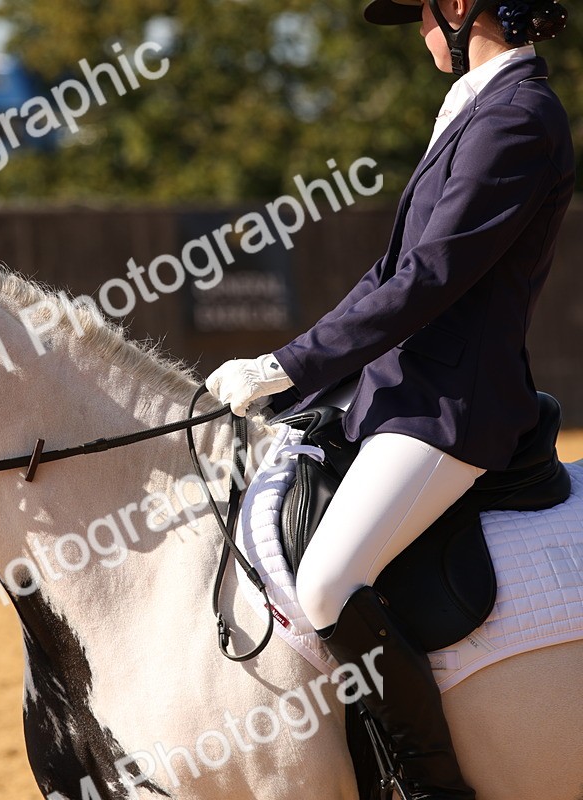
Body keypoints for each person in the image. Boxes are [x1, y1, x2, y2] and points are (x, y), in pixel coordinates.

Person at [205, 0, 573, 797]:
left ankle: (429, 782)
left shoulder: (519, 117)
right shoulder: (477, 109)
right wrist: (296, 373)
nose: (415, 29)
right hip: (401, 389)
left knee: (329, 582)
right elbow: (388, 275)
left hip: (453, 407)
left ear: (461, 5)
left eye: (419, 12)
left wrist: (283, 361)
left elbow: (430, 279)